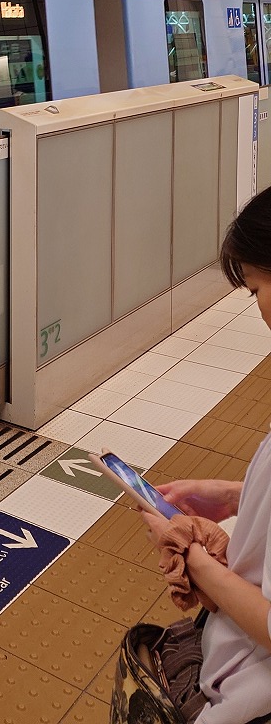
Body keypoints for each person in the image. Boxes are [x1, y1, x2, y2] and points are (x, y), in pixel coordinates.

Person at [139, 184, 271, 723]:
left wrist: (190, 555)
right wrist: (237, 497)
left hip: (247, 691)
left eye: (257, 287)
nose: (260, 309)